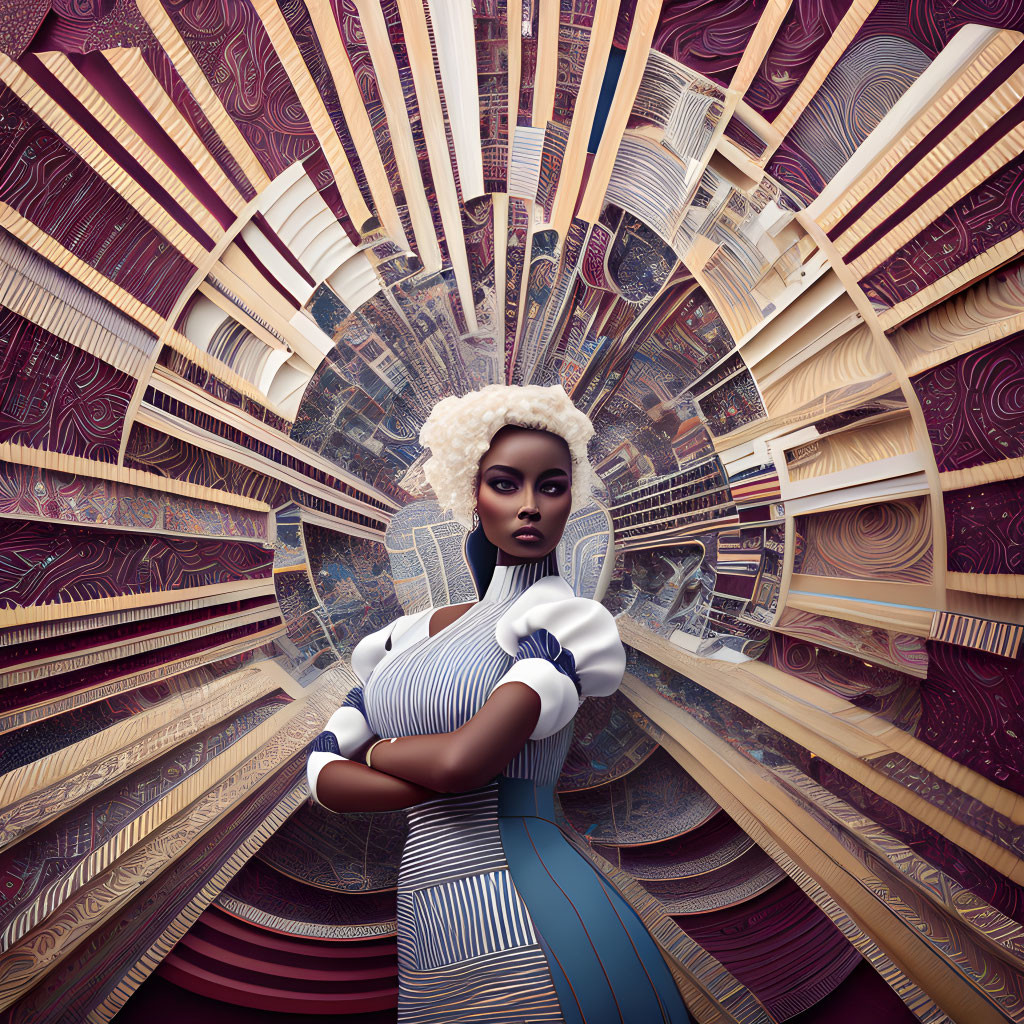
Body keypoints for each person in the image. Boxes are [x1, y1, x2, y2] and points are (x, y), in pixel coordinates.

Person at [306, 384, 692, 1024]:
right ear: (471, 493)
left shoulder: (565, 622)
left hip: (531, 896)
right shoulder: (403, 639)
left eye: (553, 486)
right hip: (426, 916)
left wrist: (375, 754)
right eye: (507, 484)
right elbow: (320, 775)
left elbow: (462, 766)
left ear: (573, 497)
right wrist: (419, 775)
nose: (532, 506)